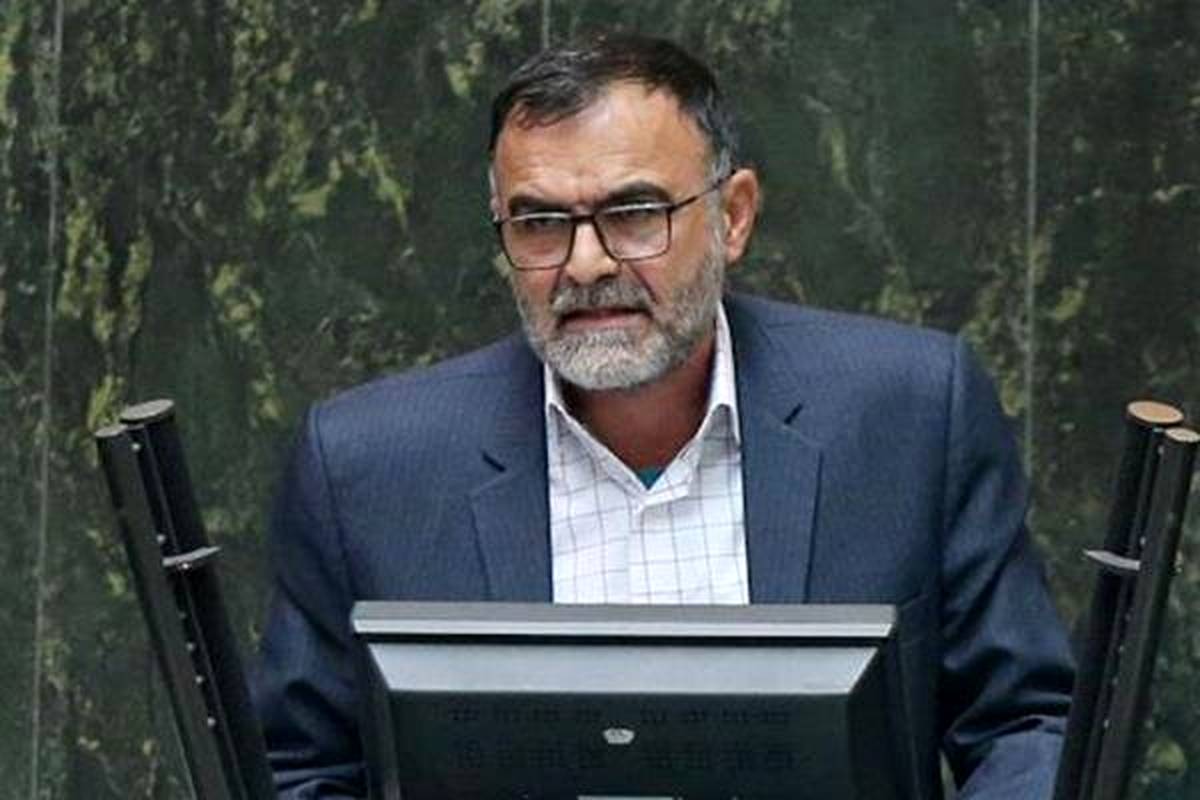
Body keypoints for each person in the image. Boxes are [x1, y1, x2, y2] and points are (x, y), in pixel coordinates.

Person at [254, 33, 1074, 799]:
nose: (585, 264)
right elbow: (300, 770)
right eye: (539, 224)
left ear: (733, 216)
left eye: (634, 214)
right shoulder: (367, 468)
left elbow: (1027, 723)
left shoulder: (910, 415)